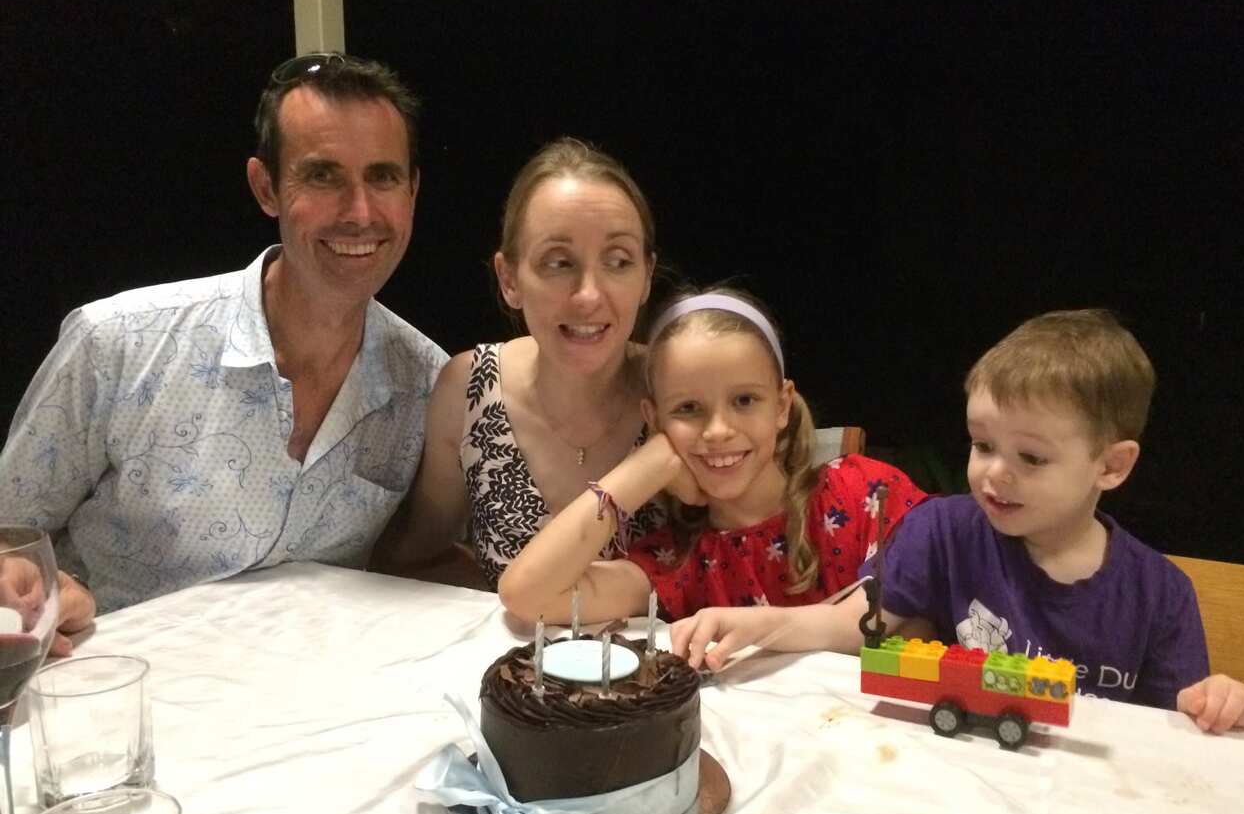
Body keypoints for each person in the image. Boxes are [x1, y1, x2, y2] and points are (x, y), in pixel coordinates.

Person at [0, 53, 447, 614]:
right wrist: (25, 584)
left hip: (320, 693)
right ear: (266, 188)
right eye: (322, 175)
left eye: (382, 177)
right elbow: (9, 533)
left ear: (412, 192)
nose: (359, 212)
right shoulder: (116, 345)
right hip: (120, 685)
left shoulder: (428, 383)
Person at [863, 309, 1244, 732]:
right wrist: (787, 622)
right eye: (983, 445)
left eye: (1032, 457)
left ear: (1111, 465)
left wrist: (1224, 707)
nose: (994, 472)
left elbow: (1182, 728)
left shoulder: (1162, 595)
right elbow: (853, 621)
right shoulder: (946, 529)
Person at [498, 288, 925, 663]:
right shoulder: (679, 561)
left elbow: (927, 617)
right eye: (687, 409)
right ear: (655, 418)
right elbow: (526, 596)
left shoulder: (865, 493)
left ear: (781, 405)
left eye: (744, 400)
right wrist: (643, 470)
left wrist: (768, 627)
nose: (718, 430)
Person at [373, 138, 664, 590]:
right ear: (509, 280)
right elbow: (416, 557)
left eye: (618, 261)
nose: (589, 295)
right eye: (558, 262)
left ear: (646, 276)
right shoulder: (469, 389)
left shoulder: (680, 391)